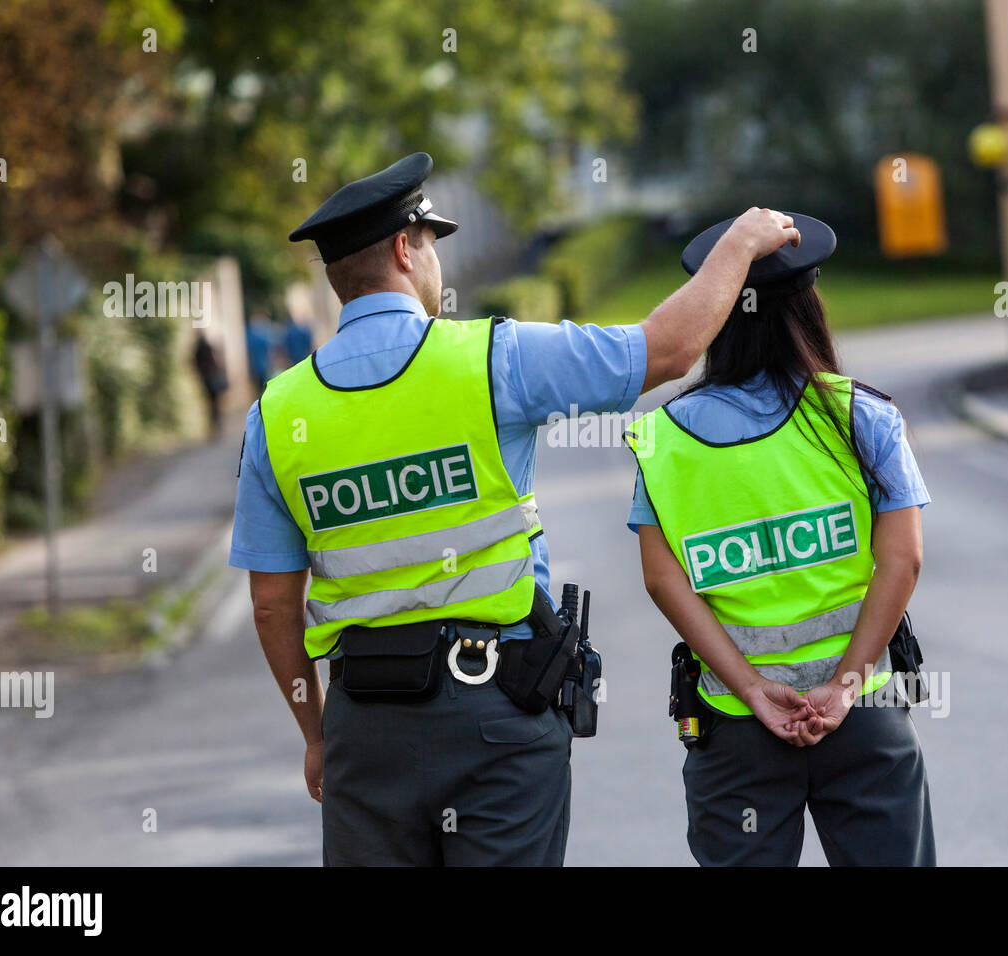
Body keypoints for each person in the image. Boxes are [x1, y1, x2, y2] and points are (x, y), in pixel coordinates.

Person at [228, 150, 800, 866]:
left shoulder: (277, 413)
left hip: (363, 731)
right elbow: (668, 351)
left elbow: (272, 606)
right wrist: (739, 244)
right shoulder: (491, 358)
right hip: (494, 716)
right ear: (405, 249)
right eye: (432, 242)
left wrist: (318, 736)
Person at [625, 213, 936, 867]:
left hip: (738, 730)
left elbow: (662, 579)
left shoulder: (663, 438)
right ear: (809, 307)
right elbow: (903, 560)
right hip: (863, 716)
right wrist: (845, 685)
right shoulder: (862, 416)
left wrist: (750, 689)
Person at [191, 331, 228, 439]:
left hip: (206, 379)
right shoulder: (207, 347)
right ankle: (216, 425)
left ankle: (214, 426)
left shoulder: (198, 349)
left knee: (211, 403)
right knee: (215, 404)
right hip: (211, 379)